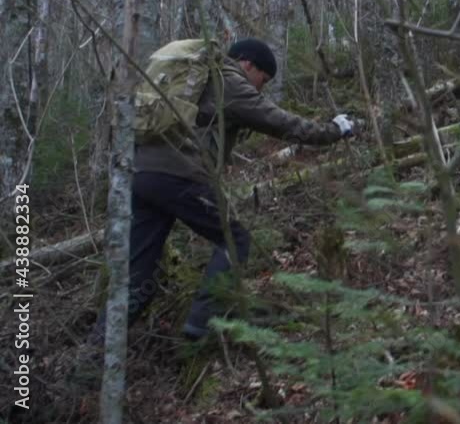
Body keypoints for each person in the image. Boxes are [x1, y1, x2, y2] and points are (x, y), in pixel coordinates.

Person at [93, 38, 354, 342]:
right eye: (263, 79)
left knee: (136, 277)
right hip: (179, 174)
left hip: (141, 174)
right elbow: (280, 122)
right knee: (234, 239)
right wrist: (334, 130)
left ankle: (94, 356)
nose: (261, 88)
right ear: (248, 64)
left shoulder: (202, 82)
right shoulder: (229, 83)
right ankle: (202, 324)